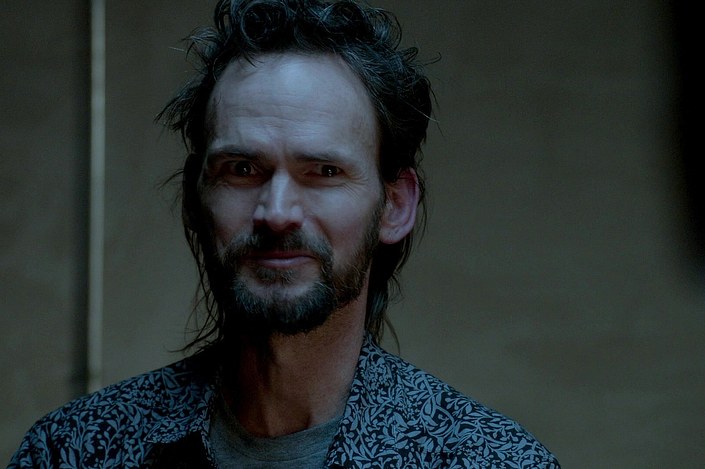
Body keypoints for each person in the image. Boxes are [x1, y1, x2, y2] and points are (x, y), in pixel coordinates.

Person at [9, 0, 559, 467]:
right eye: (242, 169)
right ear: (195, 197)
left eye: (323, 171)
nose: (276, 213)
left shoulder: (489, 460)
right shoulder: (72, 452)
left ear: (395, 205)